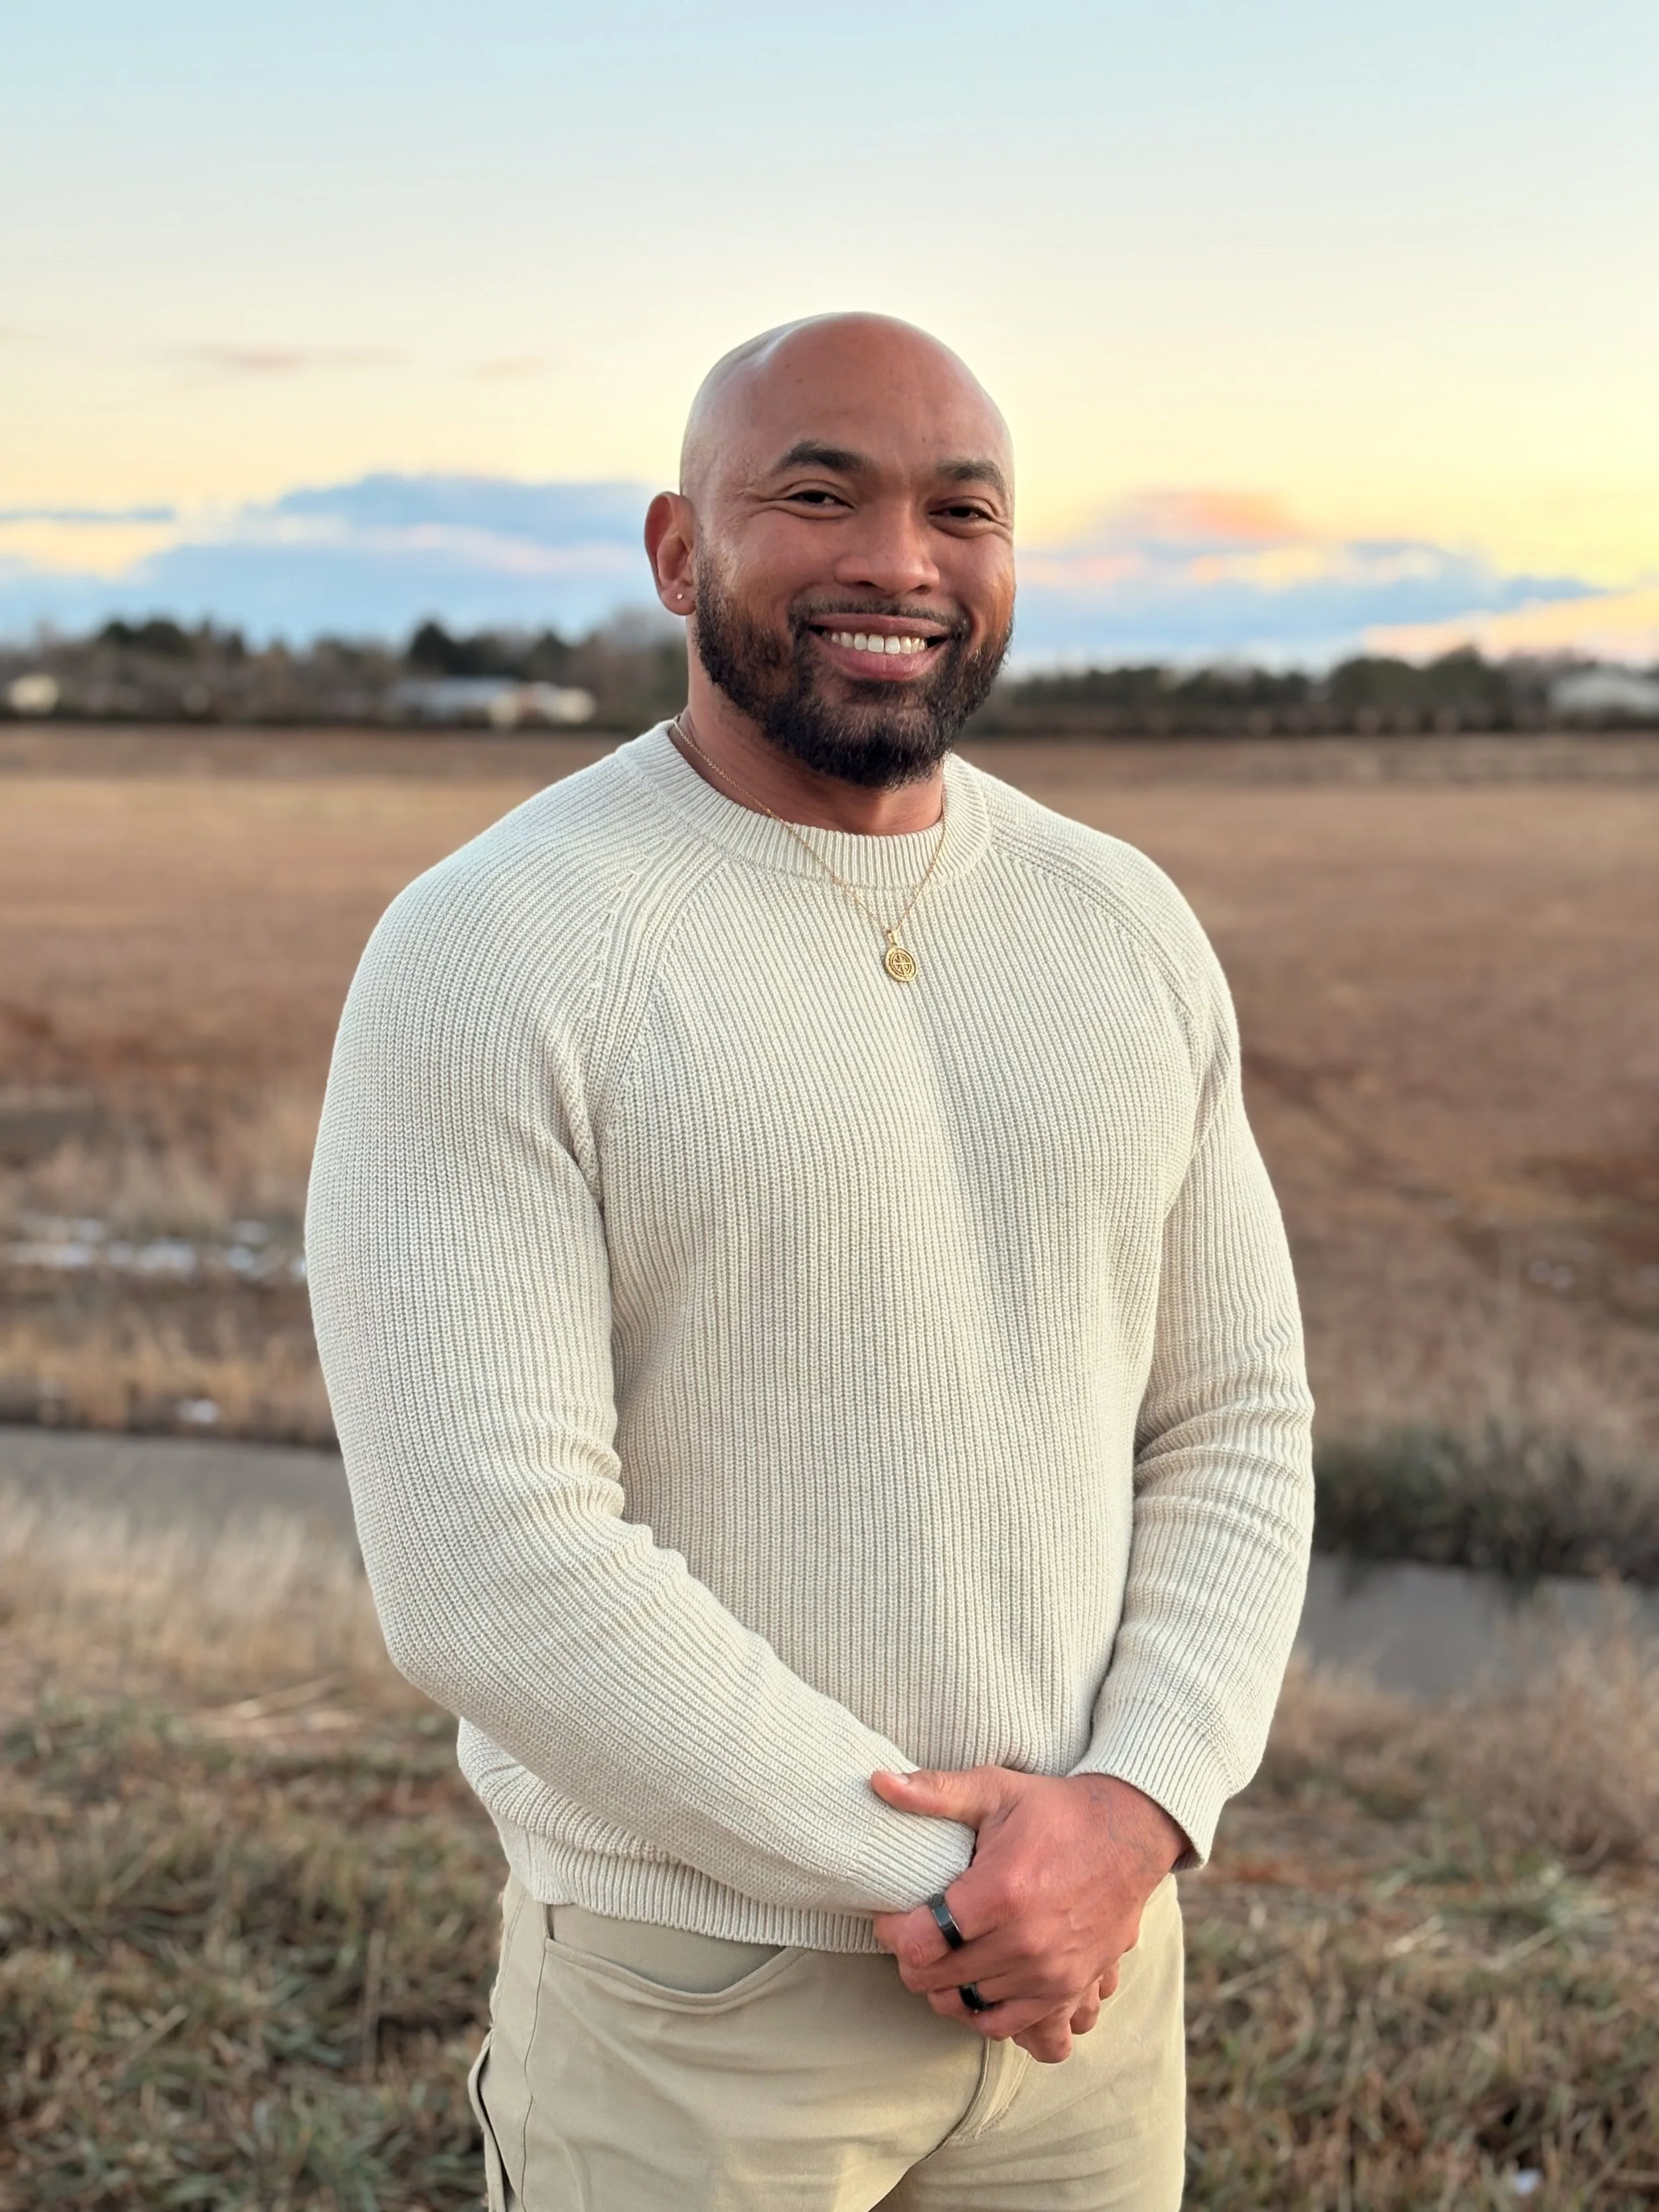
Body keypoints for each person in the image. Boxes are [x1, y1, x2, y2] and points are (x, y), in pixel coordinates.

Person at [305, 312, 1314, 2211]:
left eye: (962, 508)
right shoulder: (496, 945)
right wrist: (953, 1871)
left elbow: (1230, 1418)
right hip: (699, 2009)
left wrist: (1137, 1808)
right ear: (681, 550)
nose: (898, 562)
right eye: (818, 493)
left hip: (1087, 1995)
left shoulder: (1125, 925)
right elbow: (488, 1560)